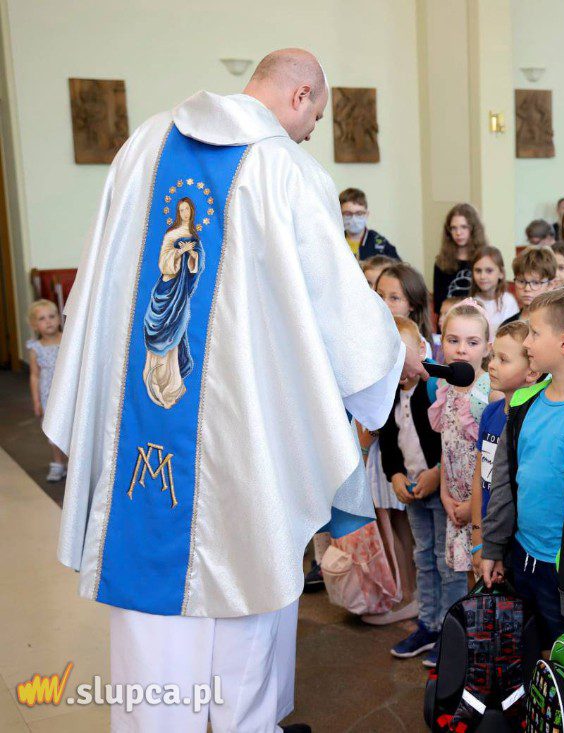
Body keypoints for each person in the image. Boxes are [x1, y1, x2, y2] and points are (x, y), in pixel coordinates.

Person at [45, 49, 423, 732]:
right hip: (242, 437)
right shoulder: (285, 171)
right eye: (315, 117)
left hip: (141, 427)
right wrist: (385, 363)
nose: (310, 132)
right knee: (244, 577)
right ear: (302, 94)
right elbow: (338, 305)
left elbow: (102, 277)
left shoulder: (143, 145)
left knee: (152, 630)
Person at [480, 287, 564, 649]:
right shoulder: (524, 402)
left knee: (563, 659)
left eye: (536, 334)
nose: (527, 344)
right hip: (519, 556)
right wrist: (493, 546)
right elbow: (503, 484)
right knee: (520, 652)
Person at [382, 319, 455, 665]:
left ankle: (452, 630)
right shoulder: (388, 394)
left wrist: (437, 475)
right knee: (423, 558)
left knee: (446, 561)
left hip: (439, 491)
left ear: (422, 351)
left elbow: (451, 441)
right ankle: (428, 624)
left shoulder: (435, 390)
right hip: (412, 492)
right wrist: (395, 475)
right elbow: (388, 444)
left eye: (403, 352)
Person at [427, 302, 492, 620]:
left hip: (479, 505)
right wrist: (443, 493)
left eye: (472, 342)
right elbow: (446, 444)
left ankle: (486, 639)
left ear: (486, 348)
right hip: (453, 499)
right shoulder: (444, 388)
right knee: (465, 575)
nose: (461, 350)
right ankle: (467, 639)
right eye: (453, 340)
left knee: (484, 575)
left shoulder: (487, 393)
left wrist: (473, 506)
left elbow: (492, 458)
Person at [471, 321, 540, 559]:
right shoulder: (491, 412)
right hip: (487, 530)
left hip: (517, 540)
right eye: (492, 357)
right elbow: (479, 475)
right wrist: (477, 533)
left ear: (532, 372)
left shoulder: (532, 421)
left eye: (503, 360)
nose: (491, 365)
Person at [27, 299, 66, 482]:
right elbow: (34, 375)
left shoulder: (68, 341)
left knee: (71, 428)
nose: (49, 321)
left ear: (59, 318)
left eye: (52, 316)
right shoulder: (36, 349)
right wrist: (36, 402)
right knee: (54, 429)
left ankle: (76, 465)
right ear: (35, 325)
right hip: (48, 396)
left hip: (67, 394)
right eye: (42, 318)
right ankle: (58, 464)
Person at [433, 203, 486, 314]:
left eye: (463, 227)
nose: (458, 233)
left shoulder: (483, 259)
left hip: (476, 318)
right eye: (453, 228)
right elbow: (438, 305)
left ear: (473, 229)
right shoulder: (441, 262)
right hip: (448, 318)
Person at [376, 262, 434, 342]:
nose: (384, 303)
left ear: (412, 304)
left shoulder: (418, 345)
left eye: (394, 298)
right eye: (380, 295)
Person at [469, 246, 519, 334]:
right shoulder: (470, 302)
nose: (482, 276)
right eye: (478, 271)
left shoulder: (508, 301)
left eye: (489, 271)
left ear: (501, 273)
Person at [503, 245, 557, 325]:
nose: (527, 288)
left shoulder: (557, 323)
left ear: (550, 285)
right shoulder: (507, 325)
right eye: (521, 281)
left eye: (535, 283)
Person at [340, 187, 399, 261]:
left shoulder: (379, 243)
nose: (354, 219)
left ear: (366, 214)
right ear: (340, 215)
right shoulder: (336, 241)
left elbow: (398, 269)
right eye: (348, 214)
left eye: (359, 213)